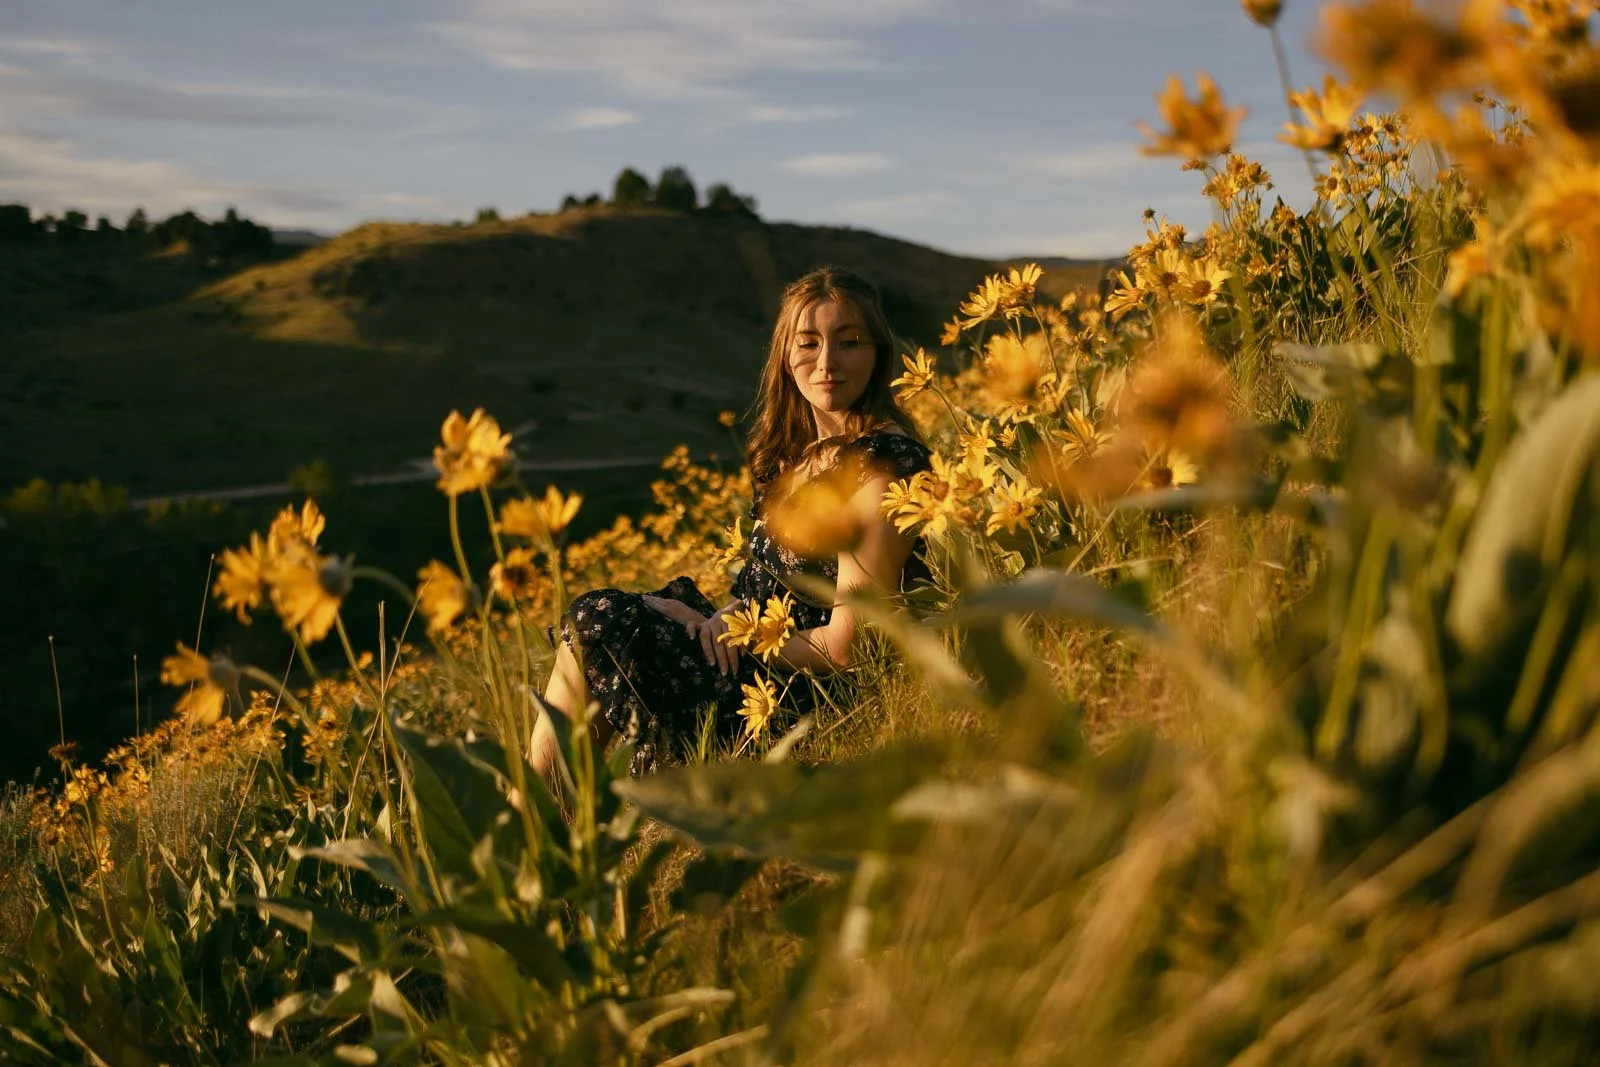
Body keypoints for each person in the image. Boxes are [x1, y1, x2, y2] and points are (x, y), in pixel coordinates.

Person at [530, 266, 935, 777]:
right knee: (602, 622)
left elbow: (846, 646)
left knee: (601, 619)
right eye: (808, 343)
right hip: (759, 660)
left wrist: (736, 635)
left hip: (802, 695)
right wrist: (719, 616)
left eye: (849, 342)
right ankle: (542, 821)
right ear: (786, 358)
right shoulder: (796, 457)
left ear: (877, 354)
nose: (827, 362)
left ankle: (537, 825)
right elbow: (767, 587)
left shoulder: (881, 465)